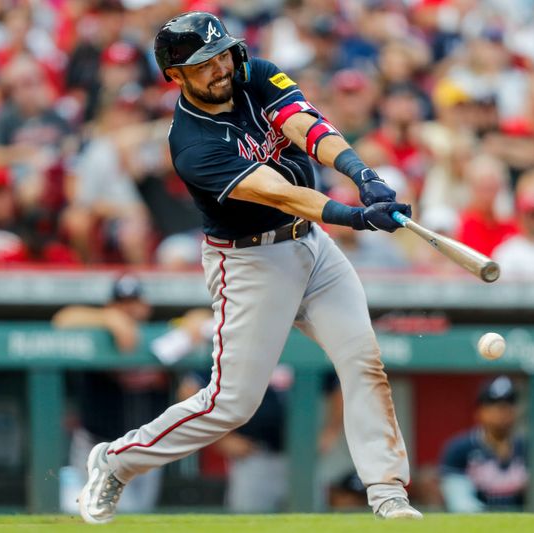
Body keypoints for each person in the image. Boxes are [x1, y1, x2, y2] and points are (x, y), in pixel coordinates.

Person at [77, 12, 420, 524]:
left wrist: (361, 173)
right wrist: (352, 215)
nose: (219, 68)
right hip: (250, 262)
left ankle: (387, 492)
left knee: (363, 362)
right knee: (229, 404)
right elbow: (278, 192)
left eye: (221, 54)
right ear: (176, 76)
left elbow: (306, 126)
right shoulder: (192, 145)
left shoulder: (254, 73)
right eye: (202, 64)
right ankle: (117, 461)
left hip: (313, 247)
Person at [53, 274, 168, 514]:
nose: (129, 309)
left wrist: (192, 324)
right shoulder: (97, 329)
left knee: (139, 519)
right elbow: (62, 319)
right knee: (105, 517)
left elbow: (201, 320)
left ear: (146, 306)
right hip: (99, 447)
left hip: (146, 450)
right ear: (111, 305)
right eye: (122, 303)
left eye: (134, 302)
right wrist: (108, 318)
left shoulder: (164, 336)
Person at [439, 376, 528, 512]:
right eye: (495, 405)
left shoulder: (529, 448)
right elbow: (460, 503)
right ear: (480, 412)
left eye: (509, 404)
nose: (503, 411)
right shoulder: (460, 448)